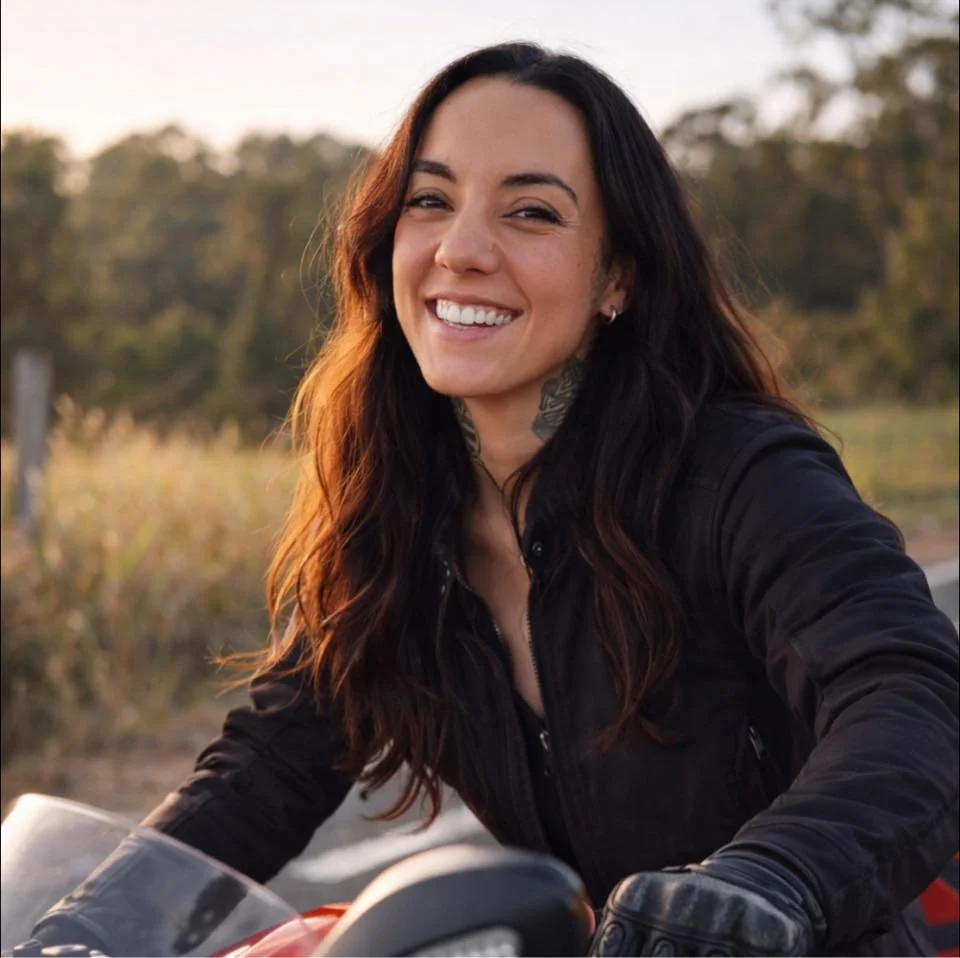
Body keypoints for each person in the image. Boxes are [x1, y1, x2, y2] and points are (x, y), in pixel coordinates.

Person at [18, 41, 958, 957]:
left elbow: (911, 694)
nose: (461, 249)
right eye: (430, 201)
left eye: (532, 214)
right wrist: (78, 934)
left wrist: (773, 881)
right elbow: (265, 770)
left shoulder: (739, 476)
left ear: (618, 275)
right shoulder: (404, 518)